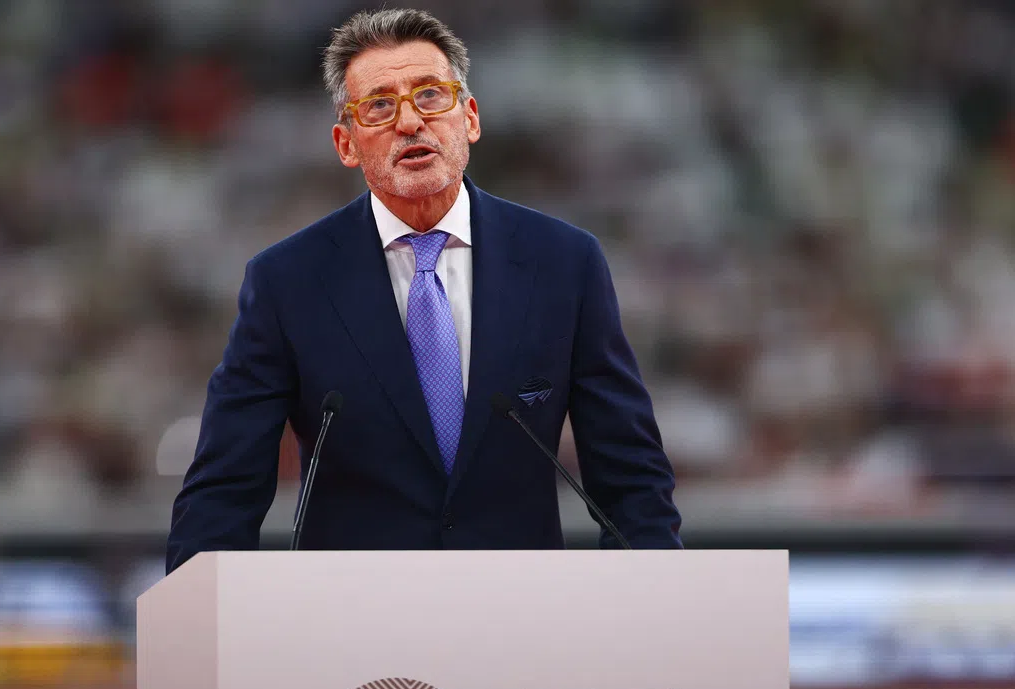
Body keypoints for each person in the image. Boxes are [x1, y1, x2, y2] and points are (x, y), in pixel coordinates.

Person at [165, 8, 682, 574]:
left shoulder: (564, 262)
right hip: (351, 626)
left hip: (521, 617)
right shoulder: (286, 282)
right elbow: (224, 489)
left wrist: (653, 598)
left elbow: (630, 472)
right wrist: (199, 630)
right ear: (346, 143)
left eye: (430, 95)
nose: (409, 122)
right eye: (379, 106)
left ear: (470, 119)